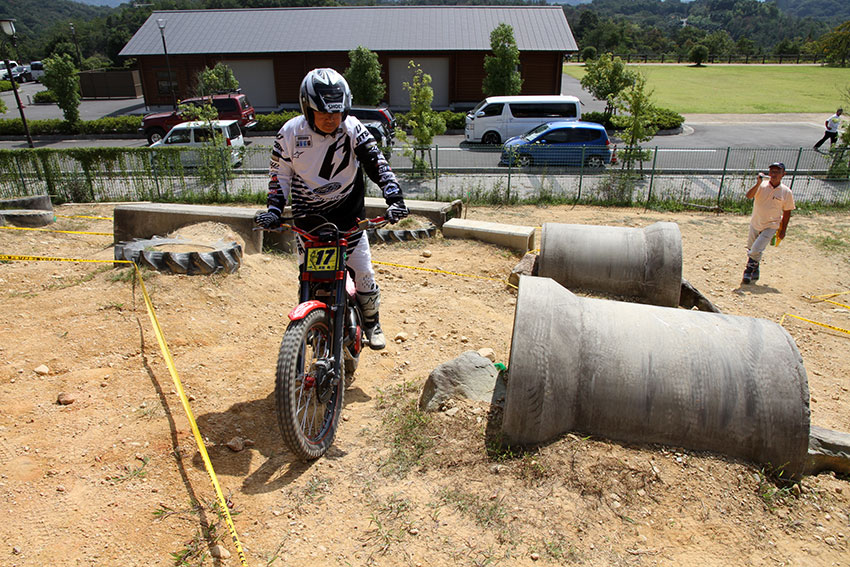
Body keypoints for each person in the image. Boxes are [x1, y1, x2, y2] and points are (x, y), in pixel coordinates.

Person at [254, 68, 409, 349]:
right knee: (308, 277)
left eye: (336, 113)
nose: (330, 119)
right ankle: (308, 325)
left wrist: (394, 197)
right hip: (308, 222)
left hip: (349, 218)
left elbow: (377, 163)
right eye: (323, 113)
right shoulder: (289, 133)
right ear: (307, 108)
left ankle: (372, 322)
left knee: (363, 275)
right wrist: (274, 209)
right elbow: (280, 176)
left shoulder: (353, 128)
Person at [740, 162, 794, 285]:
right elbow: (748, 196)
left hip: (771, 225)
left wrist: (783, 230)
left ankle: (748, 271)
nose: (774, 174)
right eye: (772, 172)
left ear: (783, 174)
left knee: (755, 249)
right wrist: (758, 183)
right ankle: (755, 269)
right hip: (756, 222)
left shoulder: (786, 192)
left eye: (777, 172)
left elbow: (787, 212)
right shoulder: (762, 186)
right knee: (751, 247)